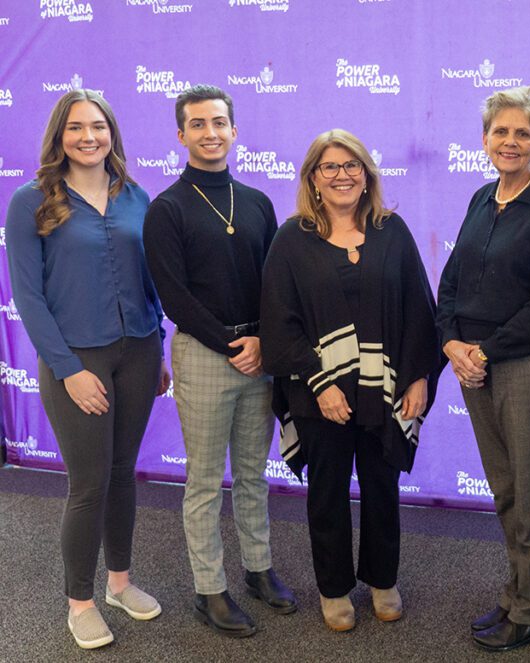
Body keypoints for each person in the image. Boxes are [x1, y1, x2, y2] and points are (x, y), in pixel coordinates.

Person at [5, 89, 169, 649]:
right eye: (76, 128)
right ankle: (80, 603)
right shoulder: (31, 201)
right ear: (60, 136)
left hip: (140, 352)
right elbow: (27, 296)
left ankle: (120, 584)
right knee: (89, 483)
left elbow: (150, 281)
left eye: (98, 126)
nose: (88, 137)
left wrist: (161, 347)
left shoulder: (135, 196)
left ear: (112, 134)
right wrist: (68, 368)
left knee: (123, 473)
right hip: (78, 361)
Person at [260, 129, 439, 632]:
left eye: (351, 166)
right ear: (313, 178)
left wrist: (417, 376)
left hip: (384, 388)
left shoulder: (392, 230)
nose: (342, 175)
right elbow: (280, 320)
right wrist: (321, 382)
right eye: (330, 167)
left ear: (367, 174)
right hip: (322, 394)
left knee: (382, 487)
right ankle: (334, 587)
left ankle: (383, 580)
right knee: (328, 491)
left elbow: (418, 312)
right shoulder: (292, 238)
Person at [143, 85, 295, 638]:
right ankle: (210, 589)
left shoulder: (256, 202)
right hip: (206, 354)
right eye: (199, 124)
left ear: (235, 131)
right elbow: (174, 296)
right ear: (181, 135)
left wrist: (264, 342)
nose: (211, 133)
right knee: (206, 480)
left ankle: (259, 570)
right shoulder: (167, 208)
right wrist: (233, 344)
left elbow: (275, 283)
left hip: (260, 355)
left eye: (220, 123)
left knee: (253, 473)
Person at [436, 86, 530, 653]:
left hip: (527, 363)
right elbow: (450, 283)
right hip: (474, 365)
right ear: (485, 140)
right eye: (501, 132)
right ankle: (519, 591)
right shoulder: (478, 199)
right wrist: (450, 343)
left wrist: (483, 352)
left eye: (523, 133)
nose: (511, 141)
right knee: (506, 490)